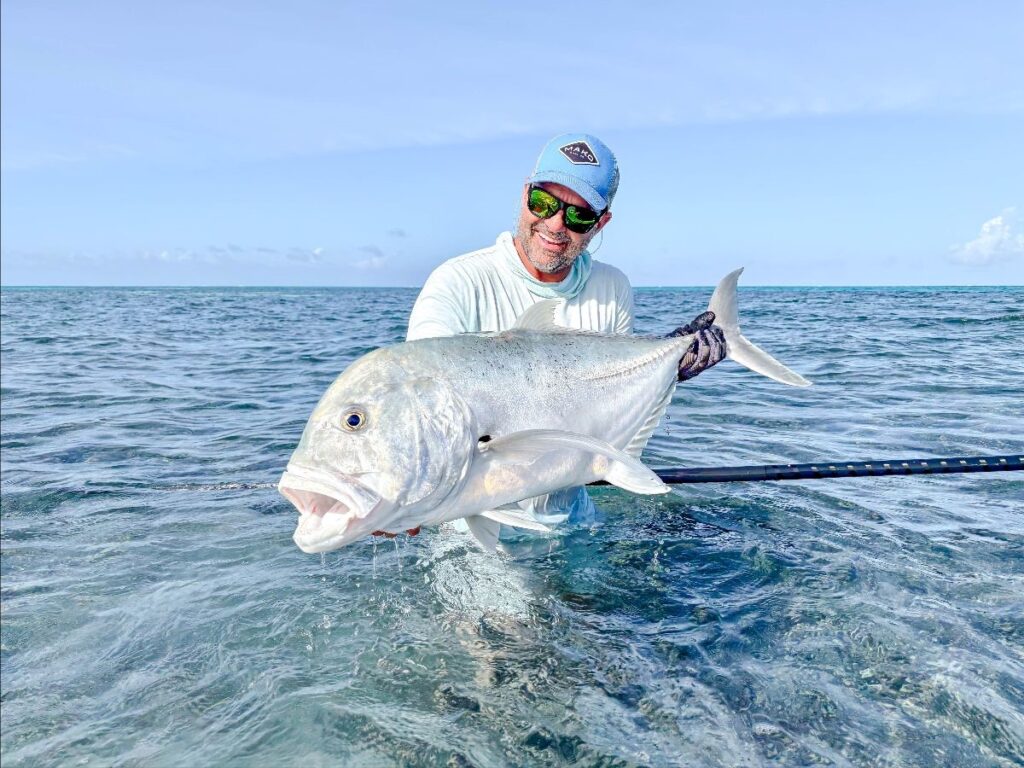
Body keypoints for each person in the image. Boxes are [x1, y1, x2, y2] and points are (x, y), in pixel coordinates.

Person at [384, 133, 724, 537]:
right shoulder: (458, 282)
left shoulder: (611, 288)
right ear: (525, 193)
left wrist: (669, 367)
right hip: (475, 536)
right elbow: (416, 405)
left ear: (601, 224)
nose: (556, 224)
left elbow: (605, 425)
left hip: (574, 524)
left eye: (579, 216)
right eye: (543, 203)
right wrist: (394, 489)